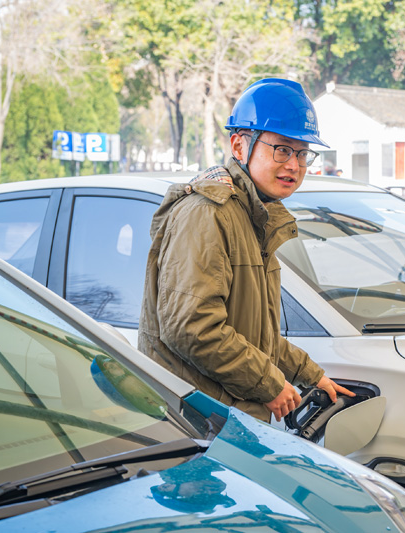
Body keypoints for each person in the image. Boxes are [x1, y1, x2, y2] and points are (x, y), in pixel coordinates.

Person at [139, 78, 354, 423]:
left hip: (228, 422)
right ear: (240, 146)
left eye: (302, 153)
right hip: (196, 425)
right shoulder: (208, 213)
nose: (294, 165)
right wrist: (269, 384)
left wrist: (310, 374)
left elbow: (256, 336)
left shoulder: (254, 218)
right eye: (282, 149)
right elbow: (192, 328)